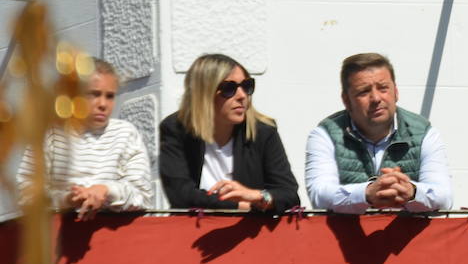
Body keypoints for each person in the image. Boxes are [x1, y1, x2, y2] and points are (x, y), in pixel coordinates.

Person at [304, 53, 452, 212]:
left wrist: (411, 191)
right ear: (346, 100)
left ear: (396, 92)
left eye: (383, 88)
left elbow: (444, 197)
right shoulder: (325, 134)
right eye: (364, 91)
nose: (375, 98)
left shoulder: (424, 133)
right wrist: (366, 193)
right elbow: (319, 196)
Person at [159, 53, 299, 211]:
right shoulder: (175, 129)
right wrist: (240, 205)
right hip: (194, 231)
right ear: (204, 94)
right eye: (229, 88)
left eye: (247, 86)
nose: (242, 96)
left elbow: (289, 194)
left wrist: (258, 196)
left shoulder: (263, 131)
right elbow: (180, 195)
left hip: (248, 232)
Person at [17, 58, 153, 219]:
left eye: (110, 96)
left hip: (115, 238)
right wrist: (67, 199)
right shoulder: (50, 134)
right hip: (61, 238)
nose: (103, 104)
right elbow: (27, 196)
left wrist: (106, 191)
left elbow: (143, 198)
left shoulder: (126, 133)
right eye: (94, 94)